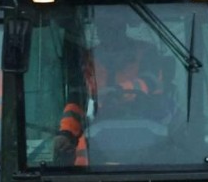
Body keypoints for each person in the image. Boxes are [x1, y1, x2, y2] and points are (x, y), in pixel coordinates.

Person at [54, 11, 165, 165]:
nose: (106, 30)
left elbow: (150, 81)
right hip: (100, 127)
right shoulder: (88, 58)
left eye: (112, 25)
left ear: (123, 25)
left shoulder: (146, 52)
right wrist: (66, 132)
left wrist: (118, 92)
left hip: (146, 122)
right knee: (77, 154)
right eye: (102, 25)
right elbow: (77, 100)